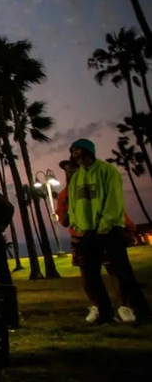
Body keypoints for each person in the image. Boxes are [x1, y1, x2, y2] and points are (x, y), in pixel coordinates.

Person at [66, 138, 151, 324]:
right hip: (87, 232)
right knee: (91, 275)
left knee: (123, 273)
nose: (74, 154)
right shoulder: (77, 178)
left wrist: (104, 225)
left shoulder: (107, 171)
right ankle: (105, 313)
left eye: (77, 150)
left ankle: (142, 312)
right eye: (72, 151)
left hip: (110, 231)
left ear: (88, 151)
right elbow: (73, 205)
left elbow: (113, 200)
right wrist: (77, 226)